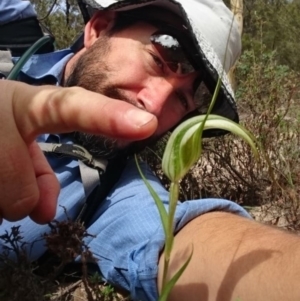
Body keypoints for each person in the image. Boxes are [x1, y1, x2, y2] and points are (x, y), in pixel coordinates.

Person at [0, 1, 300, 301]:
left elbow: (181, 240)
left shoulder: (113, 191)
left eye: (185, 99)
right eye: (160, 58)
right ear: (100, 28)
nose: (155, 106)